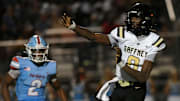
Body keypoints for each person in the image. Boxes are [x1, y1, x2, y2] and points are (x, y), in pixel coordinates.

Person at [60, 2, 166, 101]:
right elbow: (93, 37)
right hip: (119, 85)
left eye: (136, 18)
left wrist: (121, 64)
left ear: (145, 19)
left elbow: (142, 77)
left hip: (136, 90)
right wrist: (74, 27)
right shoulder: (122, 33)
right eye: (132, 18)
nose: (132, 21)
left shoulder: (153, 41)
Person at [1, 34, 67, 101]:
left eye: (41, 50)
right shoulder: (21, 64)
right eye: (35, 50)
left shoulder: (49, 66)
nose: (38, 54)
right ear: (29, 50)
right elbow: (5, 84)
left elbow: (58, 88)